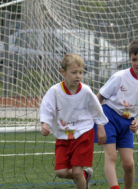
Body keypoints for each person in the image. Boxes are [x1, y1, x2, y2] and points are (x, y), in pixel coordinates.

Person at [94, 39, 138, 189]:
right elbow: (99, 98)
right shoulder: (119, 77)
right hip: (108, 116)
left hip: (127, 124)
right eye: (134, 59)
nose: (137, 63)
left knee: (129, 164)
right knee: (111, 156)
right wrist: (100, 124)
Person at [40, 53, 108, 189]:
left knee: (76, 171)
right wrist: (44, 124)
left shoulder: (86, 91)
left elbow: (97, 110)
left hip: (83, 133)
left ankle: (81, 176)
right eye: (74, 72)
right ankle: (85, 175)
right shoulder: (55, 91)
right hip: (63, 135)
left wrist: (100, 128)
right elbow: (46, 108)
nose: (78, 76)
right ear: (63, 72)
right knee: (60, 172)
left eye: (81, 72)